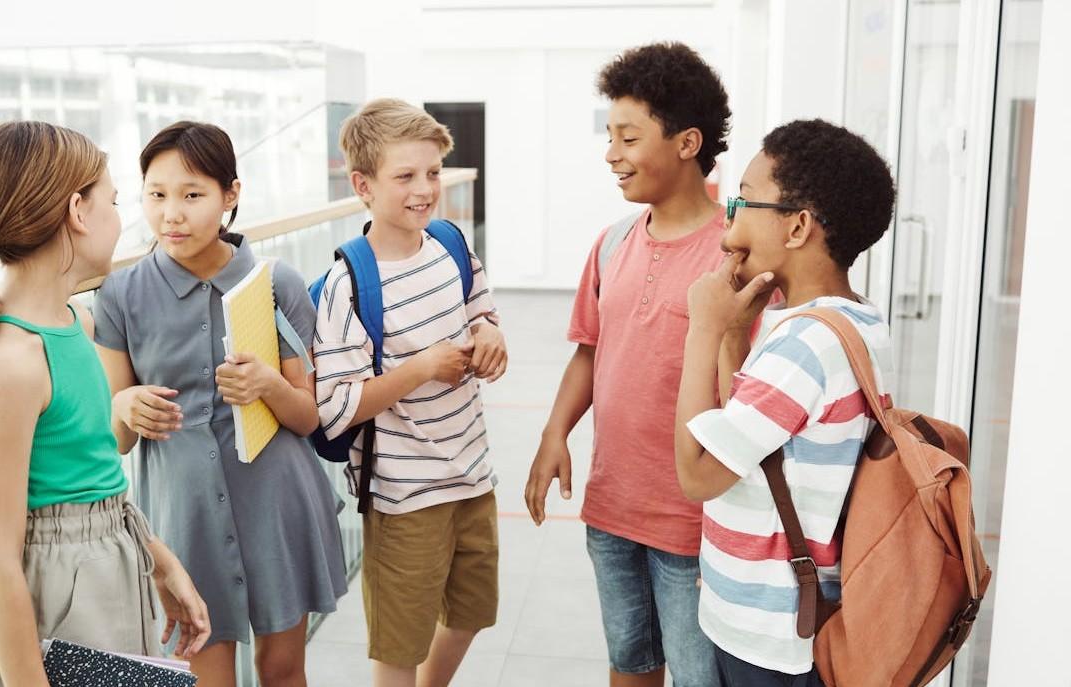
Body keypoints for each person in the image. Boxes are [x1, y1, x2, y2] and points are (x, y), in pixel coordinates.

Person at [0, 121, 210, 687]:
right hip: (58, 607)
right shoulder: (9, 363)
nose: (122, 217)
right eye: (113, 201)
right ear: (78, 213)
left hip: (110, 577)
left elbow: (92, 478)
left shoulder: (77, 324)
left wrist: (159, 560)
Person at [93, 121, 348, 687]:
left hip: (276, 501)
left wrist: (269, 387)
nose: (171, 214)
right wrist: (126, 404)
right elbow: (116, 438)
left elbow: (309, 417)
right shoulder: (120, 296)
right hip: (185, 518)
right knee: (205, 677)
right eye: (156, 195)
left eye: (192, 195)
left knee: (282, 671)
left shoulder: (276, 282)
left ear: (230, 195)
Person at [524, 42, 731, 687]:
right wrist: (553, 434)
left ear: (687, 142)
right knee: (630, 666)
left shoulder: (737, 255)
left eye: (628, 137)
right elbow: (591, 349)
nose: (611, 153)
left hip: (694, 524)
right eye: (609, 136)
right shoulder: (613, 242)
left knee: (700, 678)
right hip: (611, 510)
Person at [674, 119, 896, 685]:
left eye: (742, 201)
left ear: (797, 226)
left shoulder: (805, 345)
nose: (728, 227)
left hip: (767, 635)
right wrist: (730, 337)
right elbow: (746, 440)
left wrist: (701, 329)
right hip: (781, 622)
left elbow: (699, 474)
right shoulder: (853, 323)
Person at [313, 98, 507, 687]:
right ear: (363, 185)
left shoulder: (450, 244)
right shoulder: (348, 282)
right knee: (400, 644)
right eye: (405, 177)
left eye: (431, 174)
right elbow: (337, 408)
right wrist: (420, 367)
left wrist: (489, 332)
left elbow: (481, 306)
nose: (424, 190)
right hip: (403, 494)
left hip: (472, 474)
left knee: (472, 613)